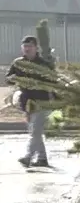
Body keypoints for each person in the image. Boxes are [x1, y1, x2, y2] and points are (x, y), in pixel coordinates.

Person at [6, 36, 57, 167]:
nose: (27, 49)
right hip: (26, 102)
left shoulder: (43, 64)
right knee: (35, 131)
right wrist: (13, 78)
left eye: (30, 46)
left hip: (42, 101)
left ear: (36, 48)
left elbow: (54, 82)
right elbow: (8, 78)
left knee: (35, 131)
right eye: (25, 46)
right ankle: (42, 159)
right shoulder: (18, 63)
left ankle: (28, 157)